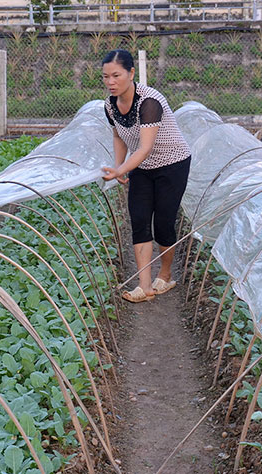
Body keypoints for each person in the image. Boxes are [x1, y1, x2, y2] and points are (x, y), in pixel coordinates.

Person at [101, 49, 191, 303]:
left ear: (131, 73)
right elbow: (119, 135)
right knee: (139, 220)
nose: (111, 82)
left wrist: (121, 169)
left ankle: (164, 275)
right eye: (106, 77)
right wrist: (119, 165)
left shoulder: (149, 102)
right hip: (141, 167)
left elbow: (145, 147)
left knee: (163, 223)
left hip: (172, 164)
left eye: (116, 75)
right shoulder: (110, 105)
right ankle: (145, 286)